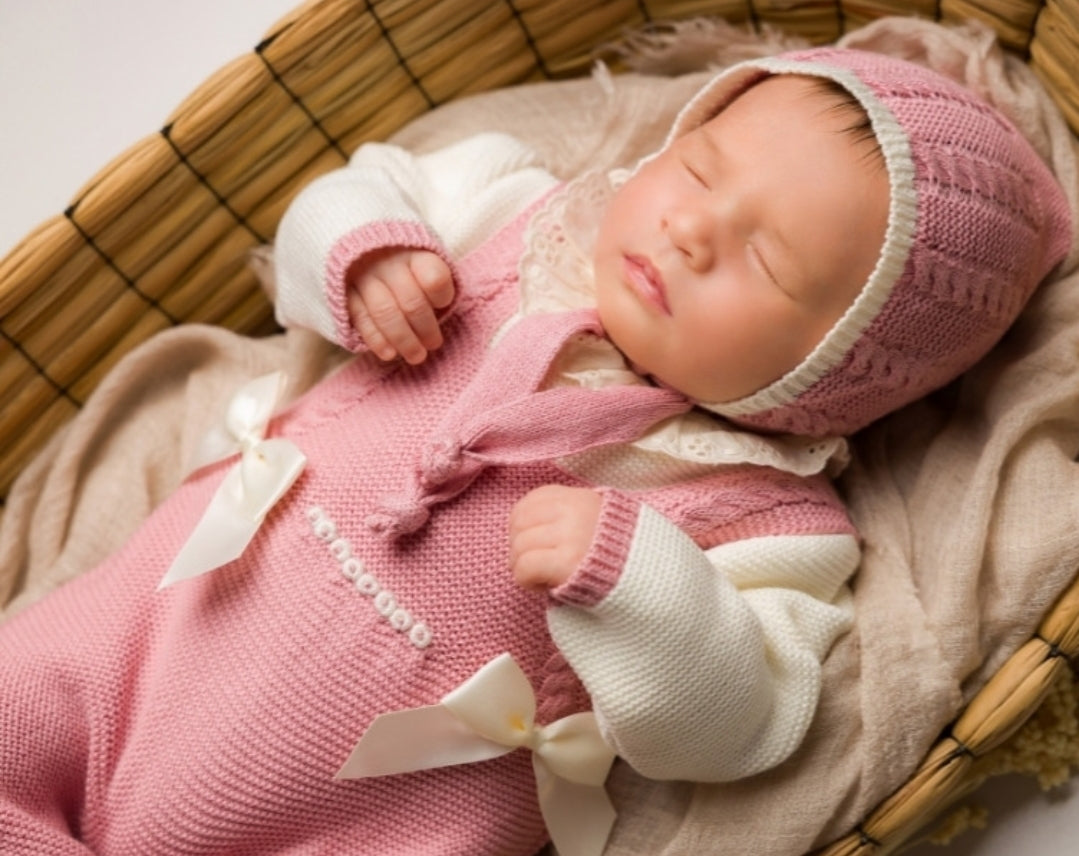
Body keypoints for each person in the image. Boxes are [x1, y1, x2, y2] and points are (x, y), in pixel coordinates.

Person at [0, 47, 1069, 856]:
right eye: (697, 171)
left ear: (838, 372)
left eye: (764, 258)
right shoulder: (509, 218)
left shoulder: (761, 514)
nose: (693, 230)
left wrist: (638, 578)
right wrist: (361, 254)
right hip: (157, 627)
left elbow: (739, 720)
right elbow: (339, 197)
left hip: (362, 811)